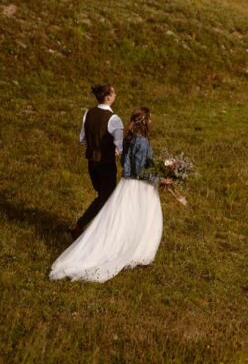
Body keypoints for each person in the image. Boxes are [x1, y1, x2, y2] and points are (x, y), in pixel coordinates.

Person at [50, 107, 167, 283]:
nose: (151, 123)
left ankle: (130, 248)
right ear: (145, 122)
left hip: (126, 185)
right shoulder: (142, 142)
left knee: (123, 219)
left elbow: (126, 162)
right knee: (142, 219)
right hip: (139, 187)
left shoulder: (129, 139)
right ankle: (133, 251)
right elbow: (139, 170)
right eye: (149, 120)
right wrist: (160, 178)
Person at [69, 83, 124, 239]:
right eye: (114, 93)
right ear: (108, 97)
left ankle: (99, 230)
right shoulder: (114, 119)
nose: (115, 95)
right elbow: (119, 147)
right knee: (106, 197)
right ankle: (80, 226)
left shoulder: (88, 113)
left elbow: (82, 139)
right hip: (106, 164)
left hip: (91, 163)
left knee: (104, 197)